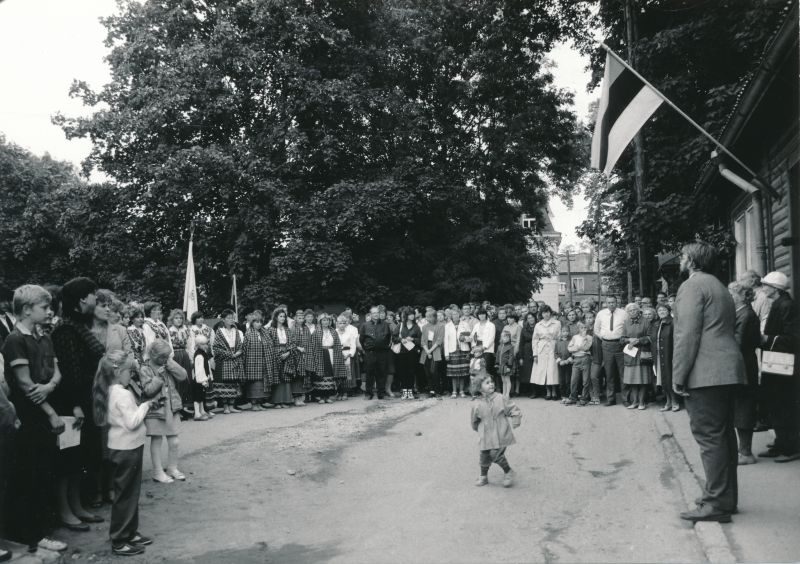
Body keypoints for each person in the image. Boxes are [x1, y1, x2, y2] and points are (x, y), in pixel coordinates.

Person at [673, 242, 745, 523]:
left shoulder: (692, 286)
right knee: (724, 436)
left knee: (710, 438)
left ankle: (716, 503)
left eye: (682, 255)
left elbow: (687, 335)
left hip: (705, 373)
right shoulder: (719, 285)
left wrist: (678, 377)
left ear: (691, 260)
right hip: (727, 369)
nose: (680, 259)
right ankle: (725, 499)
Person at [1, 285, 67, 553]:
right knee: (30, 475)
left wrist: (49, 388)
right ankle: (33, 534)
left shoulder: (44, 338)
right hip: (28, 416)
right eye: (44, 307)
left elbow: (56, 374)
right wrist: (51, 412)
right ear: (27, 310)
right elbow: (26, 385)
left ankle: (40, 530)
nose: (49, 312)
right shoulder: (15, 340)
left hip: (43, 410)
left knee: (44, 472)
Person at [50, 277, 107, 522]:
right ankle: (66, 511)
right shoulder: (65, 328)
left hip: (84, 398)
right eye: (94, 294)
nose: (97, 298)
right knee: (69, 457)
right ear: (83, 298)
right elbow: (69, 370)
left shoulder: (77, 324)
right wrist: (75, 405)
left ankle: (77, 505)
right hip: (70, 402)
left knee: (80, 456)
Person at [92, 352, 156, 556]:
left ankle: (129, 532)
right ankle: (120, 539)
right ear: (118, 372)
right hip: (127, 448)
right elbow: (132, 422)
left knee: (129, 492)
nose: (132, 375)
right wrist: (146, 405)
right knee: (126, 494)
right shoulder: (123, 393)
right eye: (130, 371)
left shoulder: (110, 390)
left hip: (122, 446)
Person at [757, 271, 800, 462]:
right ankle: (781, 443)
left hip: (784, 363)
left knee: (784, 403)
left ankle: (792, 447)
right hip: (776, 360)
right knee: (775, 402)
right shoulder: (779, 303)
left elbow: (794, 339)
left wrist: (767, 339)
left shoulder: (787, 305)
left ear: (775, 288)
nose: (763, 287)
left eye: (765, 284)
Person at [140, 340, 187, 484]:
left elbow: (183, 376)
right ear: (153, 355)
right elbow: (147, 391)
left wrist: (171, 364)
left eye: (167, 356)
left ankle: (172, 468)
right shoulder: (145, 368)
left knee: (174, 441)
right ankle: (157, 472)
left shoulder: (167, 363)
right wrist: (158, 378)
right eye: (162, 357)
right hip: (156, 409)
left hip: (171, 407)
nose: (165, 360)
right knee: (157, 440)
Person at [727, 282, 760, 465]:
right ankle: (743, 450)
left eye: (731, 294)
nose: (729, 298)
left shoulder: (745, 314)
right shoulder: (741, 312)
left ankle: (746, 453)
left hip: (744, 366)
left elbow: (738, 342)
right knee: (741, 406)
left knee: (744, 407)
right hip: (743, 365)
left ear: (740, 296)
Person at [470, 375, 521, 487]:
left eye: (492, 381)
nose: (491, 384)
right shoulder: (477, 403)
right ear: (479, 388)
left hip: (500, 432)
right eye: (487, 383)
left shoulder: (500, 398)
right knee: (484, 454)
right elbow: (474, 419)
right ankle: (483, 477)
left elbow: (513, 408)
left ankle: (508, 472)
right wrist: (477, 428)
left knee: (495, 454)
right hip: (486, 434)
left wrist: (516, 419)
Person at [593, 296, 628, 406]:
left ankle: (625, 399)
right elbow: (596, 329)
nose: (611, 304)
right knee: (609, 374)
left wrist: (624, 338)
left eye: (613, 302)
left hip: (620, 345)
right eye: (609, 302)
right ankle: (610, 399)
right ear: (606, 303)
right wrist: (603, 338)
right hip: (607, 345)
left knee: (623, 373)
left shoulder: (623, 313)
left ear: (616, 302)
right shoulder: (601, 314)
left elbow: (627, 328)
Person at [620, 303, 652, 411]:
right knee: (632, 379)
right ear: (628, 312)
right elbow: (622, 339)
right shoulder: (626, 323)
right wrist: (629, 340)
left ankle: (642, 402)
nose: (632, 312)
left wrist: (638, 340)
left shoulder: (645, 321)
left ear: (638, 310)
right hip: (630, 354)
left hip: (642, 353)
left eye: (634, 310)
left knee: (642, 379)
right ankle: (634, 401)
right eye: (630, 310)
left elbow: (650, 337)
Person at [212, 309, 245, 413]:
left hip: (235, 359)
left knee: (234, 382)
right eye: (229, 318)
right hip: (224, 361)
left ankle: (231, 405)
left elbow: (240, 345)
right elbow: (216, 348)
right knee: (224, 383)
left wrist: (238, 353)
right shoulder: (219, 332)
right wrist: (230, 354)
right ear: (223, 319)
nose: (231, 320)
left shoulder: (236, 331)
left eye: (232, 318)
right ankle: (225, 406)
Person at [266, 308, 300, 408]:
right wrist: (277, 353)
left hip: (287, 354)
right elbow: (269, 344)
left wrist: (288, 352)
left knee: (286, 378)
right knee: (277, 378)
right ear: (276, 317)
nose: (282, 318)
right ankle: (277, 401)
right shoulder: (271, 330)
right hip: (276, 355)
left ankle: (286, 400)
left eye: (284, 316)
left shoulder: (287, 330)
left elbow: (293, 343)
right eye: (280, 316)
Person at [359, 306, 392, 400]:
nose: (376, 314)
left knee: (381, 373)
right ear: (370, 314)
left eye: (377, 312)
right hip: (370, 353)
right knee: (369, 373)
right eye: (374, 313)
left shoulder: (385, 324)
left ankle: (381, 393)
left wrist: (384, 347)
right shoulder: (365, 325)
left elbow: (388, 337)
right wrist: (366, 349)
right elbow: (361, 339)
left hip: (382, 353)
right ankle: (368, 394)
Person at [242, 312, 273, 410]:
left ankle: (259, 403)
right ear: (252, 323)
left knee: (262, 383)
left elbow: (270, 345)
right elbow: (245, 349)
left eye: (260, 322)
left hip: (263, 361)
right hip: (252, 363)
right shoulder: (248, 333)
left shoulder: (264, 333)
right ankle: (254, 404)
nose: (259, 324)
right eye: (256, 322)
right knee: (254, 383)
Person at [650, 304, 677, 412]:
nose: (661, 312)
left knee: (670, 378)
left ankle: (675, 401)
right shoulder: (656, 324)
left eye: (664, 310)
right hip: (658, 356)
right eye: (659, 310)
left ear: (668, 311)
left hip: (669, 355)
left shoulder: (673, 323)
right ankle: (668, 401)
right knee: (661, 379)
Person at [530, 305, 561, 400]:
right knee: (544, 370)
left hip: (553, 346)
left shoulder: (557, 323)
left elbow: (559, 337)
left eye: (547, 312)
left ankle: (554, 391)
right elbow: (535, 340)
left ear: (550, 313)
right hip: (542, 348)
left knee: (552, 369)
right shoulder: (538, 325)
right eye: (544, 312)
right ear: (541, 314)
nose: (546, 314)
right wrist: (535, 353)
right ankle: (548, 391)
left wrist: (558, 350)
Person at [396, 308, 421, 400]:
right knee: (402, 371)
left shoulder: (416, 326)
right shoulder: (400, 325)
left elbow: (420, 340)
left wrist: (413, 339)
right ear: (406, 315)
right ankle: (404, 390)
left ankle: (410, 391)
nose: (412, 315)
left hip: (413, 352)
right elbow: (394, 337)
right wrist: (401, 339)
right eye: (410, 314)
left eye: (413, 314)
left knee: (411, 371)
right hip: (402, 352)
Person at [565, 322, 593, 406]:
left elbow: (586, 348)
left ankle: (584, 398)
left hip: (585, 359)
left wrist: (582, 341)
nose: (583, 329)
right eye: (581, 328)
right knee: (574, 380)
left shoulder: (589, 337)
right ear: (578, 329)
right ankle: (573, 397)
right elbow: (569, 348)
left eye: (585, 328)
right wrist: (576, 348)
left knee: (585, 381)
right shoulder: (575, 337)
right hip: (576, 359)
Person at [420, 309, 445, 398]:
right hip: (426, 350)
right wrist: (427, 351)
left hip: (435, 349)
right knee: (427, 372)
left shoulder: (441, 326)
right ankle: (431, 390)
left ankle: (437, 390)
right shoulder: (424, 327)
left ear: (433, 317)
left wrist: (430, 351)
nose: (426, 319)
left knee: (434, 371)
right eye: (426, 316)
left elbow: (439, 340)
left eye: (428, 317)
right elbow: (422, 341)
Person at [444, 309, 469, 398]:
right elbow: (446, 340)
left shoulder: (465, 324)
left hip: (463, 350)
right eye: (453, 314)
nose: (455, 316)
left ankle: (462, 391)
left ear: (460, 315)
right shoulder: (447, 326)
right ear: (451, 316)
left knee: (462, 372)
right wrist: (446, 353)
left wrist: (465, 339)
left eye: (457, 314)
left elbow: (470, 337)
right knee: (453, 373)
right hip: (452, 351)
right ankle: (454, 391)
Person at [191, 335, 213, 421]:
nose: (206, 346)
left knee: (202, 395)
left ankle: (202, 411)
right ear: (199, 345)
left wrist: (209, 376)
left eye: (206, 344)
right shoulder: (199, 355)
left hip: (203, 378)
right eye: (203, 344)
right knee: (197, 397)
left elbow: (207, 366)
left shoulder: (203, 353)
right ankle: (197, 413)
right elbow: (199, 369)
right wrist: (203, 380)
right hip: (199, 379)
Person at [336, 314, 358, 400]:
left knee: (347, 374)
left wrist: (349, 354)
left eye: (343, 323)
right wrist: (338, 353)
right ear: (337, 324)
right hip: (337, 354)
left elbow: (353, 346)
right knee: (338, 373)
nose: (341, 325)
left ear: (346, 324)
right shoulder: (335, 332)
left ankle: (345, 392)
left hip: (347, 354)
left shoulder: (350, 333)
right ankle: (339, 391)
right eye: (340, 323)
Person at [495, 331, 517, 400]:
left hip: (507, 365)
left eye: (506, 337)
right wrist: (497, 363)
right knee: (503, 380)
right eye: (503, 336)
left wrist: (509, 366)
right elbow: (497, 355)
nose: (504, 338)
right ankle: (504, 394)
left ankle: (507, 394)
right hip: (501, 366)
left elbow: (511, 356)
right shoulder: (500, 346)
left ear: (509, 338)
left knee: (507, 380)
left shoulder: (510, 346)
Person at [555, 327, 572, 401]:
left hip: (569, 363)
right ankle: (563, 396)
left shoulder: (571, 341)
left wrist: (568, 360)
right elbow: (555, 353)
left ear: (569, 332)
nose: (565, 333)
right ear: (561, 332)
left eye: (567, 331)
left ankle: (568, 395)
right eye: (563, 331)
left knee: (568, 380)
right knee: (561, 380)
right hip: (561, 363)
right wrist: (559, 361)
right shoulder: (558, 341)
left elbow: (573, 352)